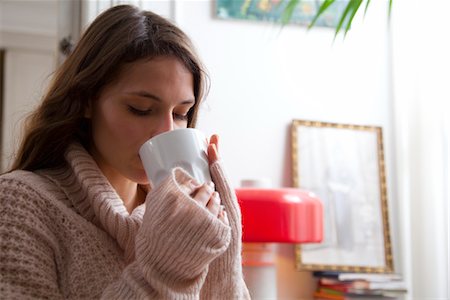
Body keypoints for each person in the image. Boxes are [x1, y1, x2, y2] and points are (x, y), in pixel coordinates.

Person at [0, 5, 250, 299]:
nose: (167, 131)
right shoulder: (20, 203)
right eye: (141, 109)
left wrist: (223, 251)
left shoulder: (184, 217)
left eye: (182, 113)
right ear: (86, 100)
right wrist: (164, 271)